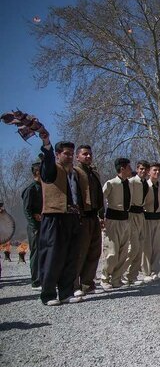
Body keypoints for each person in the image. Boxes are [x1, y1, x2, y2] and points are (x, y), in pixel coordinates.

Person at [37, 130, 90, 305]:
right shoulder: (51, 168)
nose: (69, 157)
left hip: (72, 218)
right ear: (57, 154)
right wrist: (46, 143)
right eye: (65, 153)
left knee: (71, 256)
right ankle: (49, 295)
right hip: (54, 217)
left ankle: (66, 293)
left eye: (71, 154)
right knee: (53, 256)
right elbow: (47, 167)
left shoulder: (74, 173)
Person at [73, 145, 103, 296]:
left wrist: (101, 215)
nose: (88, 157)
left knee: (94, 251)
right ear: (77, 157)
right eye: (85, 154)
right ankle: (73, 285)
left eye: (90, 154)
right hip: (81, 217)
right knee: (80, 252)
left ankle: (87, 283)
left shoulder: (94, 173)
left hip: (94, 216)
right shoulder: (74, 172)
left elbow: (99, 196)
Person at [101, 158, 133, 291]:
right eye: (129, 167)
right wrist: (101, 216)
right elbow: (101, 198)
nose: (131, 170)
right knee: (111, 252)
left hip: (125, 219)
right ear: (122, 168)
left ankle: (116, 278)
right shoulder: (111, 183)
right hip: (113, 220)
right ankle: (105, 278)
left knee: (123, 251)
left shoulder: (130, 184)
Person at [124, 160, 152, 286]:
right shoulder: (131, 181)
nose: (143, 172)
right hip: (131, 214)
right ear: (137, 169)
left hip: (141, 214)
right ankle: (121, 274)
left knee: (140, 247)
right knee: (133, 247)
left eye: (146, 170)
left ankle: (132, 276)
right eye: (141, 169)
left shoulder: (145, 183)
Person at [142, 162, 160, 282]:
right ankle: (146, 272)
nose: (157, 173)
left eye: (158, 170)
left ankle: (155, 271)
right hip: (147, 219)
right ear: (149, 172)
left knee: (157, 246)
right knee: (147, 246)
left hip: (159, 218)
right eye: (154, 170)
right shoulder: (145, 185)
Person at [21, 161, 43, 289]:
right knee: (36, 252)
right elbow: (27, 210)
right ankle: (36, 280)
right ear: (37, 172)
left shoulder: (43, 187)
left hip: (44, 224)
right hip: (34, 226)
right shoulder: (30, 189)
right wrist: (34, 226)